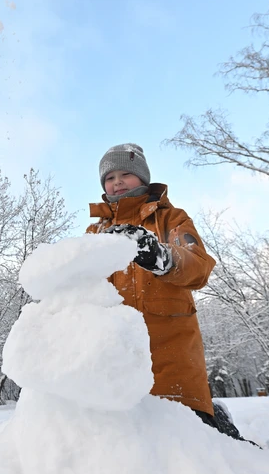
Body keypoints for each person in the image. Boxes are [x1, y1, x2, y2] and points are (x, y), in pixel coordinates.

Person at [87, 143, 250, 443]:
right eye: (110, 177)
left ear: (144, 178)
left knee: (198, 450)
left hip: (174, 360)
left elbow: (198, 265)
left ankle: (218, 422)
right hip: (119, 364)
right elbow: (80, 285)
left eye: (126, 174)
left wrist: (161, 256)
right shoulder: (95, 233)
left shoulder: (170, 219)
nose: (117, 182)